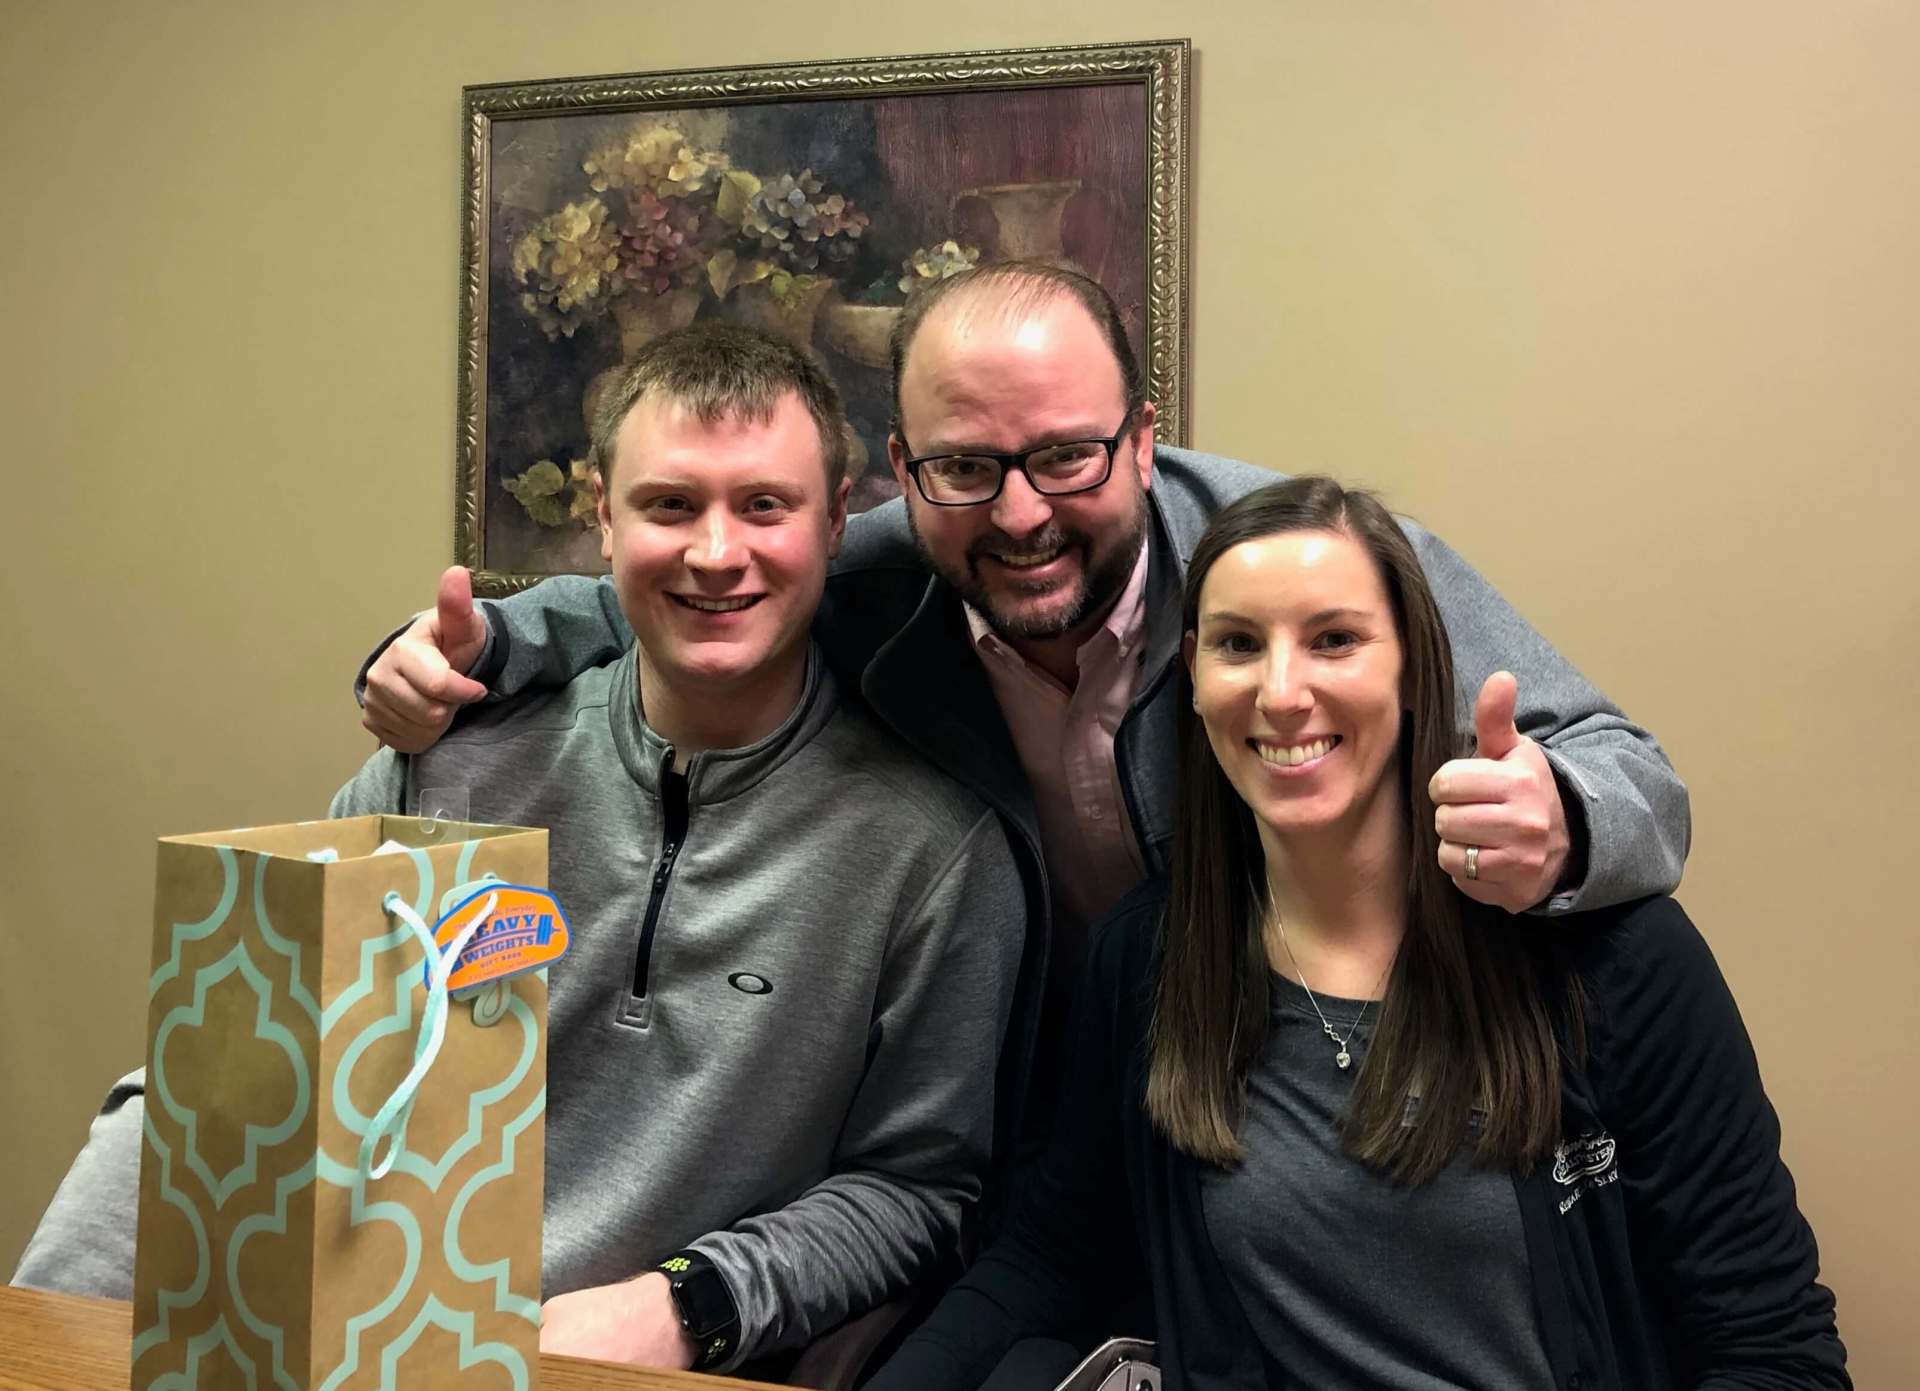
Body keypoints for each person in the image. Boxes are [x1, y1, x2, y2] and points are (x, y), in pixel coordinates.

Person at [355, 261, 1690, 1129]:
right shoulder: (884, 561)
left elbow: (1638, 775)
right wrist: (454, 651)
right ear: (896, 471)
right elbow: (681, 591)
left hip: (1313, 1082)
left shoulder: (1285, 567)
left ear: (1145, 436)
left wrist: (1562, 819)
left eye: (1067, 456)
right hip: (1040, 1104)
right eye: (968, 466)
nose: (1022, 513)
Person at [13, 324, 1026, 1380]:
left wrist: (687, 1304)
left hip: (648, 1361)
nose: (716, 553)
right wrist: (49, 1325)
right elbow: (240, 1068)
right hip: (368, 1337)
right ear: (602, 514)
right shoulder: (444, 771)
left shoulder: (934, 851)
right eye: (670, 503)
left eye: (764, 505)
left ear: (835, 521)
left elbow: (917, 1191)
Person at [865, 476, 1847, 1391]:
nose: (1282, 690)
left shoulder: (1612, 960)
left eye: (1334, 639)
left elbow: (1776, 1350)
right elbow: (1050, 1254)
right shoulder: (1154, 959)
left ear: (1418, 670)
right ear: (1192, 682)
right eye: (1237, 643)